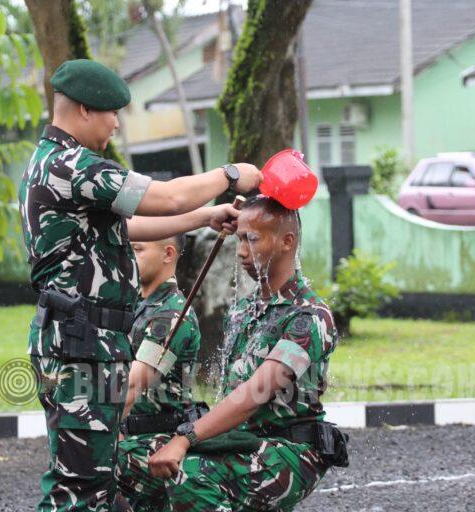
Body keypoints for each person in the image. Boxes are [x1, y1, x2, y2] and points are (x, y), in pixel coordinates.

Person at [18, 59, 262, 512]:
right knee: (80, 491)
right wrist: (230, 176)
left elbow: (125, 227)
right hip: (82, 345)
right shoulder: (76, 166)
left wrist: (204, 217)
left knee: (89, 482)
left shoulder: (51, 164)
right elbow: (166, 196)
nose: (115, 123)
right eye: (112, 113)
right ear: (86, 110)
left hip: (82, 341)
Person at [118, 195, 347, 511]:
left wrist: (185, 438)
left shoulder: (308, 317)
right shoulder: (242, 310)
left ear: (286, 242)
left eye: (252, 239)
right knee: (123, 460)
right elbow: (229, 392)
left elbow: (255, 393)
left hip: (290, 451)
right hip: (239, 442)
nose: (241, 252)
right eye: (239, 239)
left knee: (187, 473)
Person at [113, 235, 205, 511]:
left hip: (160, 442)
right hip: (132, 437)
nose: (128, 257)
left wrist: (93, 430)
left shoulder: (172, 315)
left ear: (167, 254)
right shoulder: (136, 306)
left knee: (88, 460)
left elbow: (130, 388)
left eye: (137, 249)